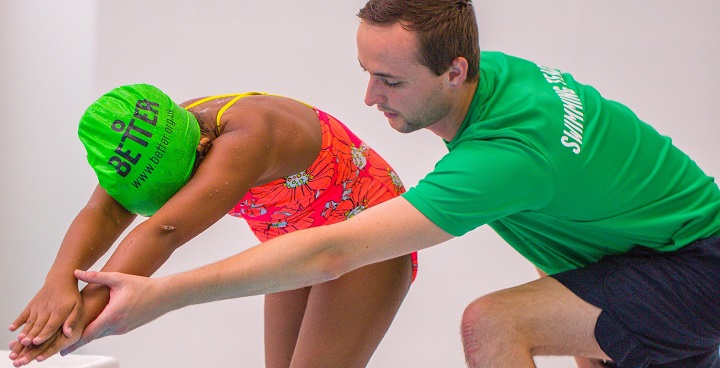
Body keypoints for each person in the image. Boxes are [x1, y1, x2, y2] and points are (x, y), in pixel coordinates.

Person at [11, 0, 720, 366]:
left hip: (696, 267)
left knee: (491, 322)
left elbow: (332, 253)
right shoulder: (500, 76)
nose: (369, 99)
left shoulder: (501, 156)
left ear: (454, 71)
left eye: (389, 80)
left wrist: (150, 298)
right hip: (643, 262)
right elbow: (113, 206)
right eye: (365, 72)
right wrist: (59, 283)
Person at [7, 84, 418, 368]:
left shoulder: (248, 137)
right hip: (293, 237)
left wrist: (74, 318)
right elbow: (105, 210)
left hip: (368, 234)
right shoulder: (153, 134)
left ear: (201, 152)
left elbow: (163, 231)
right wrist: (58, 280)